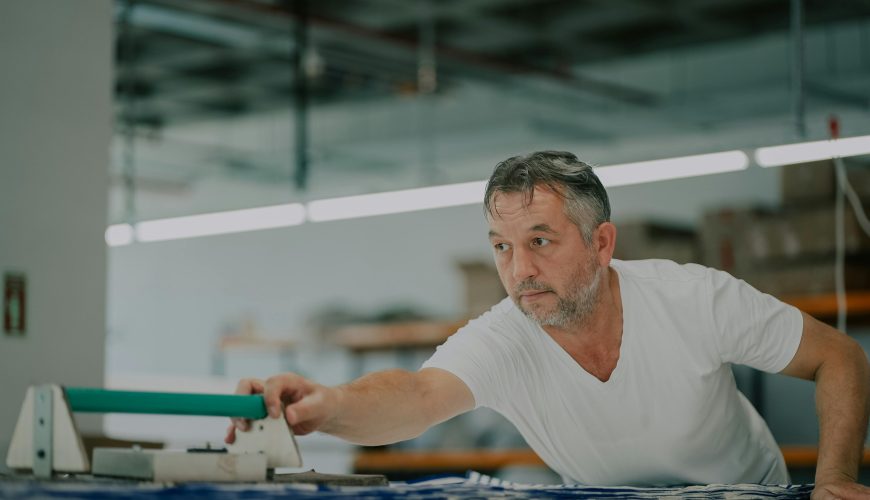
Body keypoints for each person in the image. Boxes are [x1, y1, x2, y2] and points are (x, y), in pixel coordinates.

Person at [226, 151, 870, 498]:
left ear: (601, 242)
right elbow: (417, 398)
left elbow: (838, 356)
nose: (520, 269)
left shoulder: (693, 298)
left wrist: (836, 478)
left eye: (540, 240)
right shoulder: (506, 335)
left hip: (743, 497)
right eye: (502, 247)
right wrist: (327, 403)